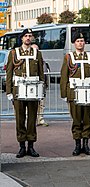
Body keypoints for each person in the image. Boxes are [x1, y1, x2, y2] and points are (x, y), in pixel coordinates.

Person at [6, 28, 44, 158]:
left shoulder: (37, 53)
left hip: (33, 91)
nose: (28, 38)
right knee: (20, 119)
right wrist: (9, 91)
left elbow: (41, 73)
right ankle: (22, 146)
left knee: (32, 119)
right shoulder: (14, 53)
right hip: (18, 91)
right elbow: (9, 73)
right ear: (21, 38)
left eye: (30, 36)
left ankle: (31, 146)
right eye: (26, 36)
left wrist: (42, 90)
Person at [60, 32, 90, 156]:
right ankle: (77, 144)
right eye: (78, 41)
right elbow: (64, 76)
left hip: (87, 92)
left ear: (84, 43)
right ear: (74, 43)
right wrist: (64, 94)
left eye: (82, 41)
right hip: (74, 92)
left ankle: (86, 144)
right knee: (76, 119)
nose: (80, 43)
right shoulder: (69, 57)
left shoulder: (89, 57)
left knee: (86, 119)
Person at [31, 43, 49, 127]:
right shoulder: (29, 61)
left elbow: (45, 74)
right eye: (34, 49)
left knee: (42, 104)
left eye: (37, 49)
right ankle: (32, 120)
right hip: (33, 86)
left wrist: (46, 84)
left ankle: (40, 119)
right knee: (32, 104)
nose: (36, 51)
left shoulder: (42, 61)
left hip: (41, 86)